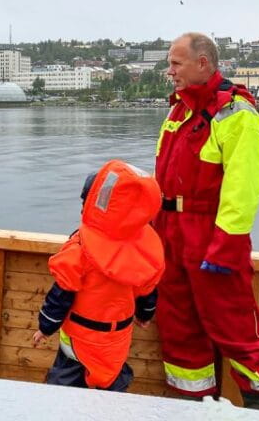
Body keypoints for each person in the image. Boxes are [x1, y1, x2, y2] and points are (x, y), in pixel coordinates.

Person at [154, 32, 259, 410]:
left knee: (235, 327)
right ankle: (192, 407)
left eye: (176, 64)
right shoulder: (179, 110)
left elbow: (243, 188)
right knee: (178, 328)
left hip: (211, 237)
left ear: (202, 63)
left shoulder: (236, 112)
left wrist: (226, 246)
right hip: (170, 234)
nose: (169, 71)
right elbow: (162, 181)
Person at [32, 160, 165, 392]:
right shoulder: (144, 249)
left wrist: (45, 327)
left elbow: (61, 293)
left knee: (64, 389)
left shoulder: (80, 248)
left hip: (79, 343)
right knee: (114, 389)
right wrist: (145, 314)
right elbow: (148, 290)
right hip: (116, 342)